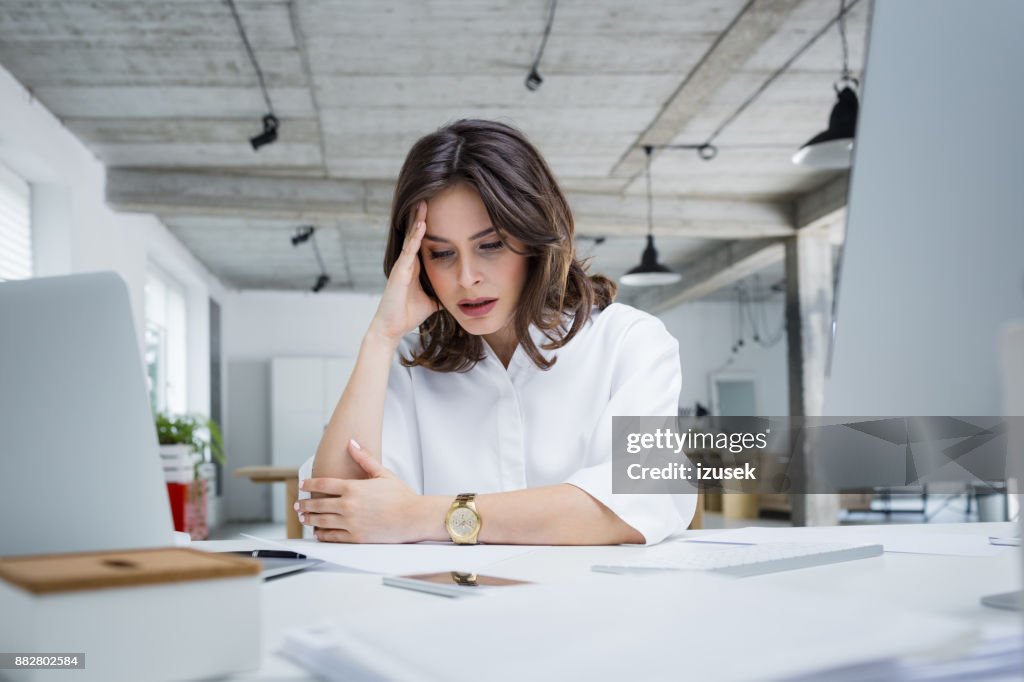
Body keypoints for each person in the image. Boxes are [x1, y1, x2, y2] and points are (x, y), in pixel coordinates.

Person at [296, 119, 695, 545]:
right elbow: (336, 512)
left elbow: (640, 502)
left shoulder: (629, 341)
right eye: (442, 253)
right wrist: (381, 334)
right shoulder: (409, 364)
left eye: (491, 245)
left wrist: (421, 515)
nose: (467, 277)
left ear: (536, 238)